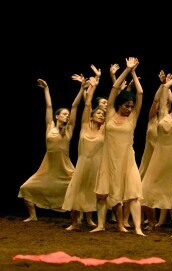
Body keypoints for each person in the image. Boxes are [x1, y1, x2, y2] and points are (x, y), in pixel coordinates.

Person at [91, 57, 145, 235]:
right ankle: (100, 225)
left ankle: (137, 228)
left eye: (131, 106)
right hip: (109, 158)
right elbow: (114, 89)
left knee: (134, 194)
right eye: (126, 106)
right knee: (102, 194)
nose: (129, 109)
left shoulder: (133, 117)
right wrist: (126, 70)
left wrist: (134, 73)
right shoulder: (110, 116)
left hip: (127, 159)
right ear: (119, 105)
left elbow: (140, 93)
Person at [18, 77, 84, 222]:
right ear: (57, 116)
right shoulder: (50, 126)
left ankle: (78, 217)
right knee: (26, 188)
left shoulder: (69, 129)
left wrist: (81, 89)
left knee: (77, 189)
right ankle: (33, 216)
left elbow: (75, 107)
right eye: (64, 114)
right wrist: (46, 89)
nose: (67, 116)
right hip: (47, 168)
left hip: (65, 168)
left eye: (68, 115)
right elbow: (48, 106)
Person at [141, 64, 172, 230]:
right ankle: (152, 222)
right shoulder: (162, 114)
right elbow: (166, 87)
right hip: (159, 156)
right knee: (145, 189)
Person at [62, 76, 105, 230]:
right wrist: (92, 87)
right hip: (82, 163)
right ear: (92, 116)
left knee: (92, 193)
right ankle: (74, 222)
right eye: (98, 113)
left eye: (103, 114)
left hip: (97, 165)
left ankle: (91, 219)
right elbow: (87, 104)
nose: (101, 115)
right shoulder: (84, 127)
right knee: (75, 192)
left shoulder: (104, 131)